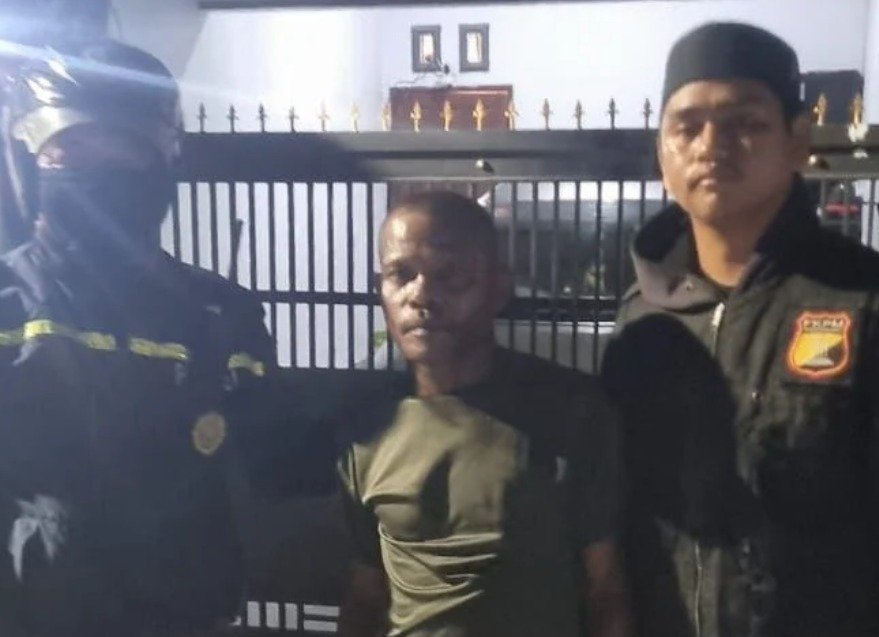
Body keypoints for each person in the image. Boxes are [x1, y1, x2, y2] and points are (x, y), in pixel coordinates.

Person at [0, 40, 276, 636]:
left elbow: (270, 471)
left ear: (163, 161)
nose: (103, 167)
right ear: (26, 160)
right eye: (72, 147)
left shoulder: (218, 315)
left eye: (126, 148)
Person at [601, 22, 879, 637]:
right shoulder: (641, 320)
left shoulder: (860, 300)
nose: (711, 145)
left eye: (744, 123)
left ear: (798, 141)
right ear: (662, 153)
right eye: (687, 126)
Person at [337, 191, 632, 637]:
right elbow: (366, 594)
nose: (422, 295)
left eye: (450, 275)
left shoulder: (569, 412)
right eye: (402, 274)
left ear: (498, 288)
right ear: (381, 289)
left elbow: (606, 592)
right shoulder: (367, 428)